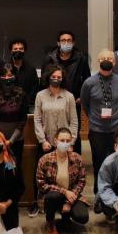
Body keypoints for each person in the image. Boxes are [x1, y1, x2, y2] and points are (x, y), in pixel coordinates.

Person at [30, 65, 78, 217]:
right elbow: (37, 119)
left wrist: (70, 143)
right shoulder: (40, 96)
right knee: (41, 175)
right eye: (53, 76)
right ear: (48, 77)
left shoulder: (69, 96)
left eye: (59, 77)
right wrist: (42, 140)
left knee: (63, 174)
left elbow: (74, 121)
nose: (56, 79)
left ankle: (63, 201)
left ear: (63, 79)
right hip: (47, 142)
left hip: (64, 143)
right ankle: (38, 203)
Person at [81, 50, 118, 194]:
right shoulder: (89, 82)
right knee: (99, 162)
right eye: (103, 58)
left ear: (114, 62)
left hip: (117, 129)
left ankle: (116, 190)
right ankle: (99, 192)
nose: (107, 60)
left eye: (110, 58)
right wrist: (94, 118)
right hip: (97, 130)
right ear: (98, 61)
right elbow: (85, 103)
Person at [36, 127, 89, 234]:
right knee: (53, 195)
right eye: (62, 140)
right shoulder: (45, 160)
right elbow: (41, 184)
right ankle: (50, 224)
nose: (65, 143)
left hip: (72, 196)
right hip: (53, 196)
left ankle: (65, 219)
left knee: (82, 217)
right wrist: (64, 192)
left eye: (67, 141)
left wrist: (69, 202)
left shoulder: (77, 158)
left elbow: (82, 181)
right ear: (55, 141)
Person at [44, 30, 91, 154]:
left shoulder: (81, 58)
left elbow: (87, 80)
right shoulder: (50, 58)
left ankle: (74, 162)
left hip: (73, 100)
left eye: (69, 40)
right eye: (63, 40)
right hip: (53, 99)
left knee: (73, 131)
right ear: (58, 43)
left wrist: (82, 96)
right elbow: (45, 80)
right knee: (53, 130)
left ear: (73, 43)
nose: (66, 43)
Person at [0, 64, 28, 166]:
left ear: (15, 77)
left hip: (17, 139)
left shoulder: (22, 94)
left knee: (16, 167)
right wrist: (2, 139)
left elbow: (23, 120)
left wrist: (11, 140)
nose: (7, 79)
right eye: (4, 76)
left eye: (10, 76)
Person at [8, 38, 39, 106]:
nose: (18, 51)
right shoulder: (5, 68)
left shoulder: (31, 69)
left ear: (24, 50)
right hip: (8, 106)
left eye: (21, 49)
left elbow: (35, 88)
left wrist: (27, 100)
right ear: (11, 51)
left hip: (26, 105)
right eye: (15, 49)